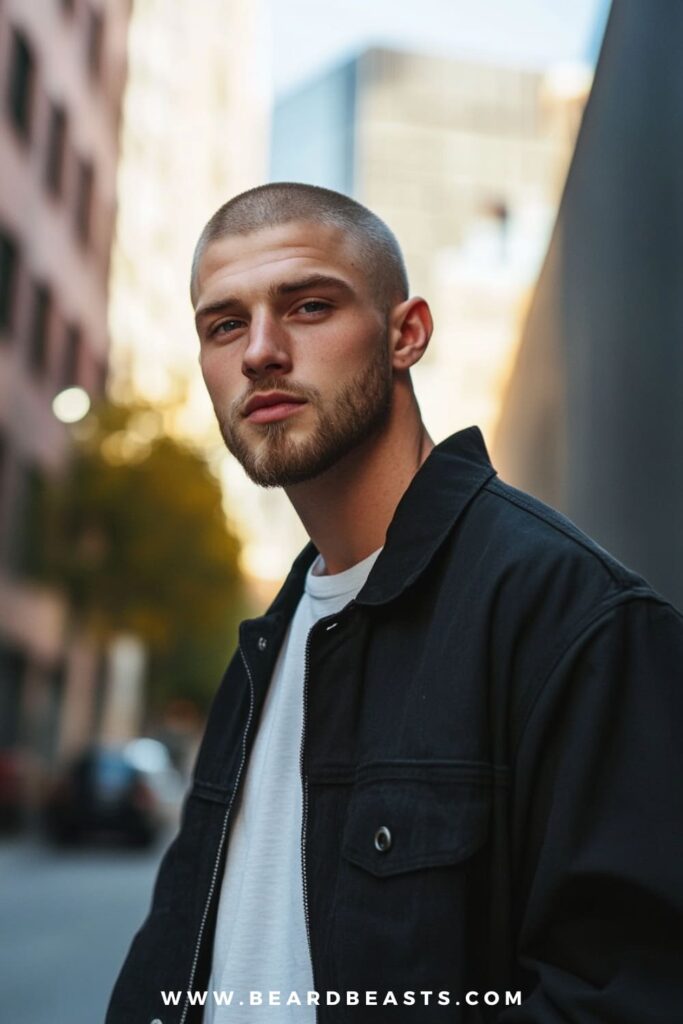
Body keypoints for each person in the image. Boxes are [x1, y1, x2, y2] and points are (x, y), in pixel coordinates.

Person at [106, 183, 683, 1024]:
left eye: (307, 306)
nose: (260, 351)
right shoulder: (265, 648)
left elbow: (627, 997)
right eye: (224, 325)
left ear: (405, 334)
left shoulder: (573, 618)